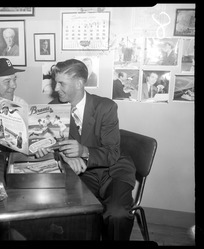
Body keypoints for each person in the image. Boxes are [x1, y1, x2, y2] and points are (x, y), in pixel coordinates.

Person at [35, 59, 136, 240]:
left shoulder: (106, 107)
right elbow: (52, 146)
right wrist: (54, 154)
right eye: (55, 82)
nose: (56, 88)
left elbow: (112, 152)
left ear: (79, 83)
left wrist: (82, 151)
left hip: (114, 170)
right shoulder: (53, 108)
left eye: (61, 83)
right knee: (73, 213)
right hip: (83, 174)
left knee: (117, 214)